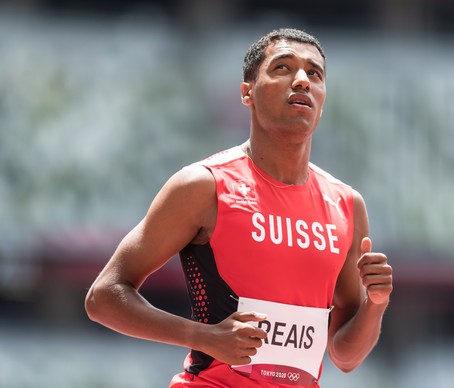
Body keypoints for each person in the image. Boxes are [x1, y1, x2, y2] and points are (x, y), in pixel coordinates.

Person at [85, 27, 393, 388]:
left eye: (315, 74)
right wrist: (205, 336)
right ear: (247, 92)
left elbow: (344, 356)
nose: (302, 81)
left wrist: (376, 303)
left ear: (323, 100)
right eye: (282, 68)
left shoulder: (346, 205)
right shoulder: (204, 186)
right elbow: (104, 297)